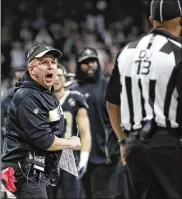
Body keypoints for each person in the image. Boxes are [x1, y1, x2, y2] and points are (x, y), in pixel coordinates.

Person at [106, 1, 182, 199]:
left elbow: (112, 103)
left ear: (151, 20)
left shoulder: (127, 51)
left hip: (134, 144)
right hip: (167, 142)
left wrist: (122, 141)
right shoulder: (177, 53)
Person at [1, 44, 81, 199]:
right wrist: (70, 142)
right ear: (32, 70)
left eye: (53, 62)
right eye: (44, 62)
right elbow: (45, 140)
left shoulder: (44, 92)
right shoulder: (28, 96)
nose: (51, 66)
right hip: (26, 171)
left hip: (39, 169)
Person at [75, 47, 121, 199]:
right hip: (80, 158)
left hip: (106, 156)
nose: (90, 65)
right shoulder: (73, 91)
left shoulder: (109, 86)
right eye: (85, 62)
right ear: (78, 65)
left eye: (93, 61)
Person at [49, 64, 91, 199]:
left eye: (60, 75)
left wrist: (84, 159)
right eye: (53, 75)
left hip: (69, 155)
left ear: (65, 78)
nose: (56, 79)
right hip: (47, 154)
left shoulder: (75, 98)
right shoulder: (40, 100)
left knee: (71, 195)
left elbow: (85, 133)